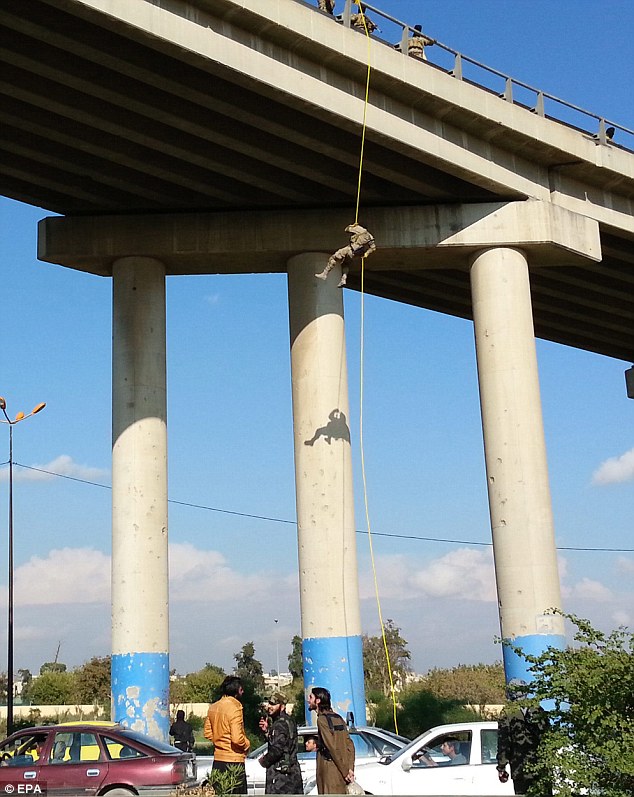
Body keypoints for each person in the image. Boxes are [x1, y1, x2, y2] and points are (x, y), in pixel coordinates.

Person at [204, 675, 251, 795]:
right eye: (241, 689)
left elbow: (208, 733)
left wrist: (220, 741)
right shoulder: (235, 707)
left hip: (218, 760)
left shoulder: (213, 707)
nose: (243, 692)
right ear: (236, 690)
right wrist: (246, 744)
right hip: (234, 761)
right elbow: (237, 739)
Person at [497, 701, 551, 795]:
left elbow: (504, 743)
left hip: (520, 768)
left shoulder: (508, 712)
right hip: (541, 766)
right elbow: (548, 737)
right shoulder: (538, 710)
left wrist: (501, 766)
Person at [308, 687, 355, 794]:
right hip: (340, 770)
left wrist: (345, 772)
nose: (308, 700)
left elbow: (331, 747)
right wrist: (350, 769)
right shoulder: (338, 718)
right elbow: (350, 745)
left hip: (329, 770)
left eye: (311, 697)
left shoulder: (322, 720)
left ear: (318, 701)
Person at [257, 692, 303, 794]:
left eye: (273, 704)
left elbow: (277, 749)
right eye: (269, 703)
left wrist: (264, 761)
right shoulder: (288, 721)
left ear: (282, 707)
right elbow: (284, 742)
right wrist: (267, 732)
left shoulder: (280, 724)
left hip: (281, 777)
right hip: (291, 773)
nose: (269, 707)